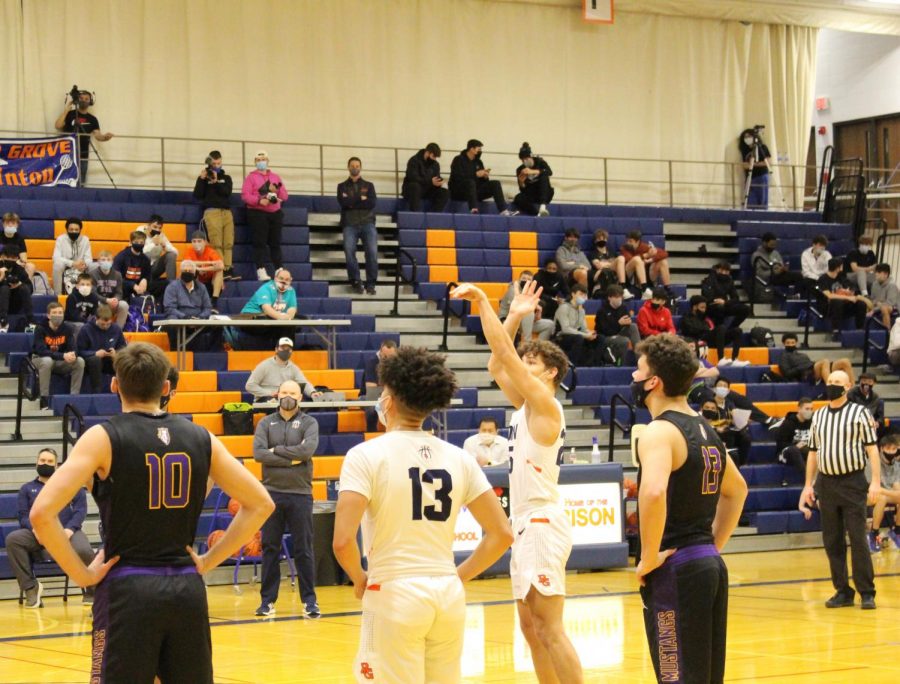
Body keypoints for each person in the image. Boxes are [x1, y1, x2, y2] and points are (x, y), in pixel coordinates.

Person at [29, 342, 274, 683]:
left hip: (127, 588)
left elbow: (41, 514)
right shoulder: (201, 437)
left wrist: (83, 575)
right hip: (187, 589)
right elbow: (262, 504)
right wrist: (209, 559)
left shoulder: (102, 437)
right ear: (166, 388)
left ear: (115, 385)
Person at [333, 346, 512, 683]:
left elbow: (343, 540)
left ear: (391, 398)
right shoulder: (459, 457)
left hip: (393, 589)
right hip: (446, 593)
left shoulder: (365, 455)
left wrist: (359, 577)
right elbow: (502, 533)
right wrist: (457, 576)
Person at [451, 280, 583, 683]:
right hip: (525, 523)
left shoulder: (546, 404)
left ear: (551, 374)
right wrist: (514, 316)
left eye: (531, 365)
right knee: (530, 628)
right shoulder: (527, 405)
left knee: (550, 627)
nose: (522, 368)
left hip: (542, 520)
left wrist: (485, 304)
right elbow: (496, 364)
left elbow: (504, 354)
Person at [631, 333, 747, 683]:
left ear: (654, 381)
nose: (633, 377)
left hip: (675, 568)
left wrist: (649, 556)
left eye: (638, 370)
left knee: (676, 677)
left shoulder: (660, 431)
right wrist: (713, 545)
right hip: (708, 564)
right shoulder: (706, 429)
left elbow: (652, 492)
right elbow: (737, 490)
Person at [798, 370, 880, 609]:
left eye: (837, 382)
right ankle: (843, 590)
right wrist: (807, 486)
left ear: (848, 386)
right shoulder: (820, 415)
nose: (832, 385)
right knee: (832, 540)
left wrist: (875, 481)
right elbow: (813, 452)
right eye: (830, 381)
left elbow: (872, 449)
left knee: (857, 538)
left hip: (853, 482)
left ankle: (867, 591)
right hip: (826, 483)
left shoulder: (859, 412)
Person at [252, 380, 320, 617]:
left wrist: (276, 451)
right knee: (270, 547)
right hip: (271, 494)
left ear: (300, 397)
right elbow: (259, 454)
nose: (288, 397)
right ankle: (267, 602)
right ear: (277, 395)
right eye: (284, 393)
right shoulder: (265, 422)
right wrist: (291, 458)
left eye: (292, 393)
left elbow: (306, 452)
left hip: (301, 494)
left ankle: (310, 601)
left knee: (303, 549)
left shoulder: (310, 423)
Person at [6, 448, 95, 607]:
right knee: (13, 540)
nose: (45, 464)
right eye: (42, 461)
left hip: (67, 532)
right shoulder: (26, 489)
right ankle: (31, 588)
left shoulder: (71, 486)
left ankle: (92, 590)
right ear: (36, 462)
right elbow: (22, 515)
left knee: (84, 550)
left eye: (49, 461)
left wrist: (69, 529)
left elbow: (80, 510)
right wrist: (35, 529)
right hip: (38, 534)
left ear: (57, 466)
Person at [242, 150, 288, 281]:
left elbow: (285, 196)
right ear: (255, 162)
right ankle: (260, 269)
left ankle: (279, 269)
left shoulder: (275, 177)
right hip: (257, 212)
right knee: (259, 242)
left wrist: (277, 190)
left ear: (267, 161)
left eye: (263, 159)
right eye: (258, 160)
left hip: (274, 213)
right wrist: (259, 200)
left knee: (275, 242)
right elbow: (245, 196)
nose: (261, 162)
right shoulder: (250, 177)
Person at [193, 150, 238, 281]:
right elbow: (197, 195)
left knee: (228, 241)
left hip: (226, 212)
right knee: (216, 242)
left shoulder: (226, 178)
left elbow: (226, 192)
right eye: (214, 163)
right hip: (212, 211)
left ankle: (229, 268)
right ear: (210, 163)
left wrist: (217, 181)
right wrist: (202, 180)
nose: (217, 165)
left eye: (219, 163)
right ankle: (221, 267)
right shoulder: (204, 178)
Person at [337, 157, 379, 295]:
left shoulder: (369, 185)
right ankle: (355, 281)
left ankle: (371, 284)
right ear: (348, 167)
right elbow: (343, 203)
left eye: (357, 165)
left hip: (368, 223)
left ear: (360, 167)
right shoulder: (341, 186)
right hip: (349, 224)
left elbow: (371, 203)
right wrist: (360, 199)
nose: (355, 167)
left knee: (372, 253)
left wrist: (352, 201)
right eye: (352, 165)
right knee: (349, 252)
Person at [54, 88, 114, 182]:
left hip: (83, 155)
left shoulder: (93, 119)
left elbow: (98, 136)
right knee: (64, 180)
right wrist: (66, 110)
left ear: (91, 101)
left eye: (86, 99)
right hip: (66, 154)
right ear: (77, 99)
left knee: (81, 181)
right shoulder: (70, 114)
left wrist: (105, 137)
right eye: (81, 98)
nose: (84, 100)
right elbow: (58, 126)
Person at [32, 302, 85, 406]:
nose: (58, 315)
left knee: (79, 361)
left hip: (59, 361)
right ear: (48, 315)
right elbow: (41, 351)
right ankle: (44, 399)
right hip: (39, 360)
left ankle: (74, 398)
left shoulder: (68, 328)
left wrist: (73, 355)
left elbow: (73, 347)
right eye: (55, 313)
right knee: (47, 361)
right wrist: (62, 356)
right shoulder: (40, 328)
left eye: (60, 312)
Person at [163, 260, 222, 352]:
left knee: (218, 325)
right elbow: (169, 308)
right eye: (185, 271)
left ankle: (211, 354)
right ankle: (175, 352)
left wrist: (199, 318)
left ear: (194, 274)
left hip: (199, 320)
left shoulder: (202, 287)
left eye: (190, 271)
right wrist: (186, 318)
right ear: (180, 273)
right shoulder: (172, 287)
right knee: (171, 322)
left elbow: (207, 308)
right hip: (180, 319)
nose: (187, 273)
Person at [680, 294, 748, 369]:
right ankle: (721, 359)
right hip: (701, 340)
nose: (704, 310)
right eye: (702, 307)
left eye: (705, 308)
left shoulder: (705, 318)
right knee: (720, 328)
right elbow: (691, 330)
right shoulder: (686, 318)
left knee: (737, 331)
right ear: (694, 307)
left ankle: (734, 359)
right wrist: (707, 329)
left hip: (712, 339)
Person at [245, 337, 322, 402]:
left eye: (288, 348)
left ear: (291, 351)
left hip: (285, 398)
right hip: (265, 399)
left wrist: (312, 392)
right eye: (282, 347)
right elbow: (250, 385)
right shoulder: (264, 365)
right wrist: (269, 393)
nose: (285, 350)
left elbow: (304, 382)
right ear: (276, 349)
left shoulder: (293, 368)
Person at [237, 268, 297, 350]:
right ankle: (281, 352)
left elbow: (292, 309)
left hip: (271, 318)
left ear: (291, 280)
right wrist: (282, 318)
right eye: (281, 278)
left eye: (287, 280)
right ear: (275, 278)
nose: (284, 282)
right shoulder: (266, 288)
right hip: (250, 317)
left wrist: (288, 317)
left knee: (290, 324)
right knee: (281, 325)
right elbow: (266, 309)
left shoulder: (291, 290)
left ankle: (287, 352)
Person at [449, 139, 512, 215]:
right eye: (478, 149)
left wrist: (484, 177)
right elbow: (457, 177)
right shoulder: (458, 159)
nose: (480, 151)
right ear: (471, 149)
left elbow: (483, 183)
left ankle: (503, 210)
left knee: (495, 183)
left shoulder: (478, 162)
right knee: (470, 182)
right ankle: (474, 210)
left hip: (475, 192)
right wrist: (475, 174)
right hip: (460, 192)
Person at [77, 305, 127, 394]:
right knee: (95, 360)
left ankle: (125, 392)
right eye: (102, 324)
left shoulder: (116, 329)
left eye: (108, 324)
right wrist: (94, 353)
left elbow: (123, 349)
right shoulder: (86, 329)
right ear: (96, 318)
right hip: (91, 361)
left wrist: (116, 354)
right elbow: (79, 351)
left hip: (110, 360)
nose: (106, 326)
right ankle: (97, 393)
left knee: (124, 360)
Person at [554, 284, 604, 366]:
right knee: (579, 338)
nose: (583, 297)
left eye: (585, 295)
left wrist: (590, 333)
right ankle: (571, 364)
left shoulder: (581, 310)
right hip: (561, 337)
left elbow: (584, 328)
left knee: (600, 338)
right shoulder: (564, 308)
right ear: (573, 294)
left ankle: (595, 364)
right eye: (581, 294)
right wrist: (585, 335)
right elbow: (565, 329)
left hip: (576, 335)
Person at [817, 257, 869, 335]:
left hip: (844, 306)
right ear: (838, 268)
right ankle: (835, 330)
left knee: (861, 304)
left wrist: (849, 292)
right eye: (841, 266)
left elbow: (851, 288)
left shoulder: (841, 277)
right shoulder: (823, 279)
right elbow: (829, 296)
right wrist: (847, 297)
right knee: (837, 302)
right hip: (829, 307)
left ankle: (860, 329)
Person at [777, 333, 854, 384]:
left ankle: (852, 391)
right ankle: (831, 388)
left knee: (845, 362)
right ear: (784, 343)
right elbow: (787, 373)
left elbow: (810, 364)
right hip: (805, 374)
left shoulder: (802, 355)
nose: (791, 345)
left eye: (792, 343)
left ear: (796, 343)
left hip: (813, 369)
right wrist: (801, 367)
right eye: (788, 343)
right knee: (825, 361)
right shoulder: (784, 356)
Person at [499, 271, 554, 343]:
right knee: (528, 312)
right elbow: (518, 307)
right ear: (519, 279)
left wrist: (539, 311)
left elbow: (535, 315)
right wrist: (536, 307)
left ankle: (537, 348)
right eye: (523, 278)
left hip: (524, 322)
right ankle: (527, 343)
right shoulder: (513, 289)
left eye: (529, 279)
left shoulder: (531, 291)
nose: (526, 281)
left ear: (532, 281)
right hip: (508, 319)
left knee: (549, 324)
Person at [703, 389, 751, 466]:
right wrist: (715, 429)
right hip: (705, 447)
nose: (709, 410)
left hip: (723, 446)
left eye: (712, 408)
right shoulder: (696, 419)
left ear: (716, 411)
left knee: (741, 438)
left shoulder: (720, 419)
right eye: (707, 407)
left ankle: (741, 464)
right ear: (701, 409)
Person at [700, 262, 750, 338]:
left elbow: (736, 298)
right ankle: (719, 331)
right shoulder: (709, 280)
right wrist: (716, 300)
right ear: (717, 270)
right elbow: (706, 296)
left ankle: (731, 328)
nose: (724, 273)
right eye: (722, 270)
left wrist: (725, 302)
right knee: (719, 308)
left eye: (726, 271)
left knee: (746, 309)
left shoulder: (729, 281)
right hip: (711, 306)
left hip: (725, 304)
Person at [869, 434, 900, 551]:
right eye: (888, 449)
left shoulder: (896, 465)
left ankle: (897, 531)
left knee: (883, 496)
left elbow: (897, 488)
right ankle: (874, 533)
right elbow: (869, 487)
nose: (891, 452)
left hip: (883, 493)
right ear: (881, 449)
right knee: (881, 497)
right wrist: (883, 492)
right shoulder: (872, 462)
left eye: (894, 449)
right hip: (866, 494)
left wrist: (883, 491)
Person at [751, 232, 805, 299]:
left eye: (774, 245)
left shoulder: (775, 253)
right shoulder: (756, 255)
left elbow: (780, 265)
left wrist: (783, 269)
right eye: (771, 245)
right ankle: (788, 297)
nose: (773, 247)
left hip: (779, 276)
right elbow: (759, 273)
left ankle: (797, 296)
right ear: (764, 243)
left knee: (798, 276)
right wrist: (774, 272)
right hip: (768, 278)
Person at [595, 284, 641, 365]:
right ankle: (620, 365)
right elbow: (605, 331)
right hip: (606, 337)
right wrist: (618, 323)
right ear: (609, 298)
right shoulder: (602, 311)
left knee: (633, 326)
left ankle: (640, 359)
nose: (619, 299)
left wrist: (628, 322)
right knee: (624, 340)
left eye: (620, 297)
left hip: (619, 333)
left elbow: (626, 323)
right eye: (616, 297)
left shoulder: (623, 307)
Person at [621, 230, 671, 296]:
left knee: (663, 262)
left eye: (630, 241)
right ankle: (644, 289)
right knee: (637, 260)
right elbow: (630, 259)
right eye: (627, 241)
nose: (628, 243)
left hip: (646, 273)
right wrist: (646, 255)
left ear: (637, 242)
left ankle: (668, 290)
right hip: (630, 274)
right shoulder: (624, 248)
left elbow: (664, 253)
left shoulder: (645, 247)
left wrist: (650, 260)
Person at [776, 398, 814, 484]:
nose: (810, 411)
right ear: (799, 409)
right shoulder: (788, 423)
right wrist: (795, 446)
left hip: (804, 451)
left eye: (811, 409)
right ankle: (809, 480)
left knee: (813, 450)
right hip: (786, 453)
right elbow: (780, 444)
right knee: (794, 450)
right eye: (807, 409)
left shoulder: (812, 422)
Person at [402, 143, 449, 212]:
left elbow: (436, 177)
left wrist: (440, 182)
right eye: (433, 156)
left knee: (445, 192)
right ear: (427, 153)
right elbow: (412, 177)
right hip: (412, 190)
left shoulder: (435, 164)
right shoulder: (414, 160)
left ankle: (433, 216)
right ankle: (415, 215)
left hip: (427, 190)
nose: (434, 159)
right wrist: (430, 181)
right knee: (415, 186)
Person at [52, 217, 93, 295]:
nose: (74, 231)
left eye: (76, 230)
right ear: (67, 230)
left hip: (81, 267)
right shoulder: (61, 239)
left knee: (93, 266)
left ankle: (91, 294)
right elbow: (56, 258)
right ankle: (58, 295)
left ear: (80, 230)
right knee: (57, 265)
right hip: (66, 266)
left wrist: (84, 264)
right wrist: (73, 263)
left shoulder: (85, 240)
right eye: (71, 229)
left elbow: (89, 259)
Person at [185, 231, 225, 310]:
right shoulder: (189, 251)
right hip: (197, 282)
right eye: (194, 241)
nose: (197, 244)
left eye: (199, 241)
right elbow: (187, 264)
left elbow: (221, 265)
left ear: (205, 242)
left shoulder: (211, 252)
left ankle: (214, 302)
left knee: (219, 272)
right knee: (190, 270)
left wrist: (201, 268)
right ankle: (192, 300)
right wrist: (209, 263)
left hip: (211, 283)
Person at [587, 229, 631, 299]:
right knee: (620, 259)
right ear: (595, 241)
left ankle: (624, 288)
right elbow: (599, 266)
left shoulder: (611, 252)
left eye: (603, 239)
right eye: (599, 239)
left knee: (621, 258)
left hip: (613, 274)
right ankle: (623, 288)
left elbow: (619, 264)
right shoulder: (593, 253)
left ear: (606, 240)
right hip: (602, 275)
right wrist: (611, 263)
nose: (601, 241)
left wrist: (605, 264)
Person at [0, 244, 34, 333]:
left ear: (17, 259)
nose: (11, 260)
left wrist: (19, 284)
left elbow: (30, 288)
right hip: (1, 301)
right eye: (8, 257)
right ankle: (3, 322)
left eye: (13, 257)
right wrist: (2, 278)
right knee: (4, 288)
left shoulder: (19, 269)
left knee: (24, 287)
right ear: (2, 256)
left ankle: (31, 321)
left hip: (15, 303)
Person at [513, 142, 553, 217]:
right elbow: (523, 191)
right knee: (518, 198)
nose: (525, 161)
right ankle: (537, 213)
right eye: (522, 160)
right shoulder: (520, 169)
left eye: (526, 158)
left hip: (544, 193)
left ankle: (542, 207)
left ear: (531, 156)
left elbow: (549, 172)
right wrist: (521, 182)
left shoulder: (540, 162)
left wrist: (534, 171)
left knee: (543, 175)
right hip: (531, 194)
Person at [137, 215, 178, 287]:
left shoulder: (161, 236)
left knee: (171, 255)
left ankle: (172, 286)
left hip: (154, 268)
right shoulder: (140, 232)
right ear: (148, 226)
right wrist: (153, 243)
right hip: (141, 268)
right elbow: (138, 252)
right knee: (145, 256)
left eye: (160, 228)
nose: (157, 230)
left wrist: (164, 246)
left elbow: (176, 252)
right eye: (155, 227)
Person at [93, 250, 129, 328]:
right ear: (98, 261)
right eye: (103, 260)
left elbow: (119, 293)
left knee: (124, 305)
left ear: (112, 262)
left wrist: (115, 300)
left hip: (112, 304)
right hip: (99, 303)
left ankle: (118, 330)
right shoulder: (92, 274)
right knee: (95, 303)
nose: (106, 262)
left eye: (108, 260)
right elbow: (93, 293)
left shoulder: (117, 275)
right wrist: (106, 300)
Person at [113, 230, 151, 303]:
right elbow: (116, 278)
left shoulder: (146, 259)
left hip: (138, 288)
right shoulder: (121, 257)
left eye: (141, 243)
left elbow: (148, 275)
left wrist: (145, 280)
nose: (139, 244)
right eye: (136, 242)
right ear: (130, 242)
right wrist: (132, 285)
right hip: (123, 288)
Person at [739, 128, 771, 209]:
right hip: (750, 179)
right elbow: (744, 165)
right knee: (750, 201)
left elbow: (767, 163)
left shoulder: (762, 147)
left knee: (762, 201)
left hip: (761, 177)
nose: (747, 138)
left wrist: (752, 164)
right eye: (745, 137)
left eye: (749, 136)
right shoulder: (745, 150)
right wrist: (755, 164)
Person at [869, 263, 899, 329]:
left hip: (893, 308)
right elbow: (872, 299)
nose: (876, 274)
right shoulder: (874, 284)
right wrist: (876, 304)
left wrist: (875, 310)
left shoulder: (892, 285)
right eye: (876, 272)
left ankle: (887, 333)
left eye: (879, 272)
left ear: (886, 274)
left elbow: (890, 303)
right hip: (878, 305)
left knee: (884, 308)